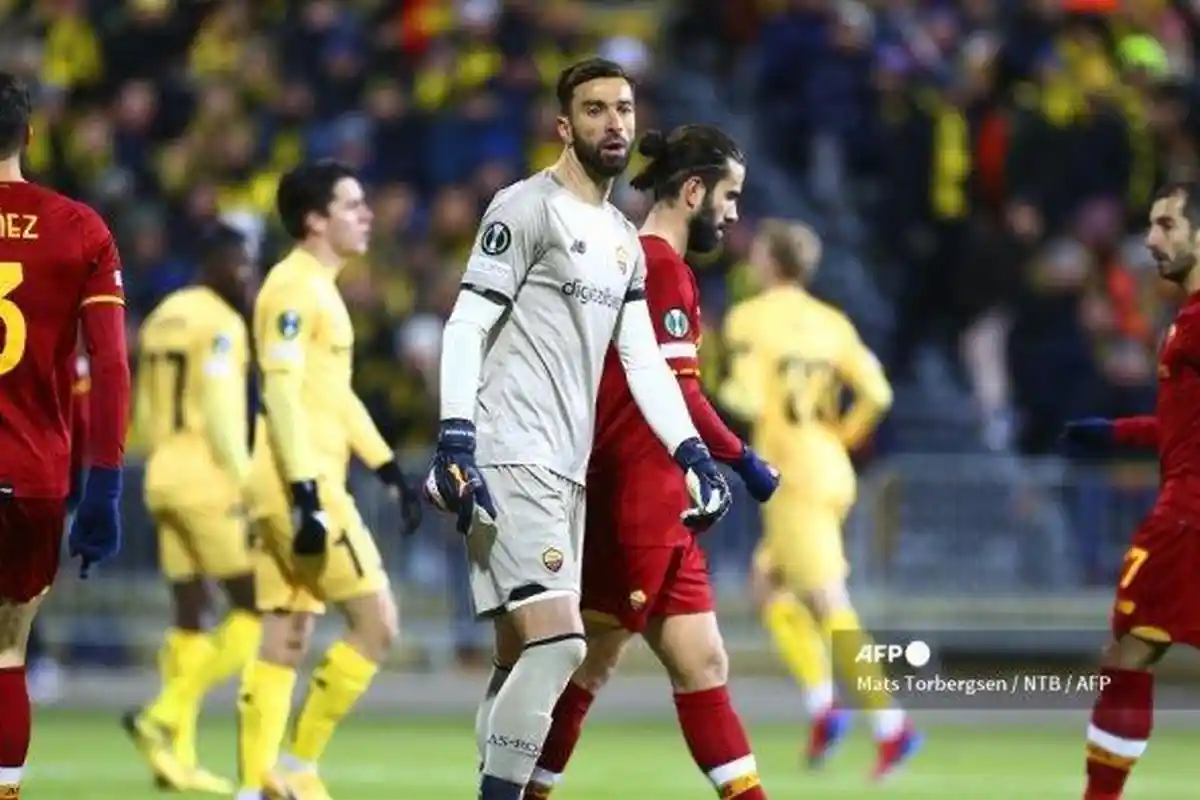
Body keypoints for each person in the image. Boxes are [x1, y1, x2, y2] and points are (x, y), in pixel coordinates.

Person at [425, 59, 732, 800]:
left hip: (568, 470)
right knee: (562, 644)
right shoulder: (524, 208)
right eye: (594, 109)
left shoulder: (622, 239)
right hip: (510, 452)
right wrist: (456, 437)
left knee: (517, 658)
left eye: (623, 108)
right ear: (565, 127)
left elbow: (644, 361)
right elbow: (466, 322)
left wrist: (693, 454)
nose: (613, 122)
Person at [524, 125, 780, 800]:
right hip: (633, 499)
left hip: (665, 502)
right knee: (583, 664)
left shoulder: (646, 262)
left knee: (704, 665)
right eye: (729, 196)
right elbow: (677, 390)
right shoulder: (657, 267)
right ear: (693, 191)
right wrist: (743, 459)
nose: (734, 213)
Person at [233, 160, 422, 800]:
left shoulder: (316, 287)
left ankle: (255, 785)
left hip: (285, 481)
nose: (366, 215)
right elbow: (280, 393)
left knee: (286, 632)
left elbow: (334, 397)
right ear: (315, 219)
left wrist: (386, 467)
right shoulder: (293, 288)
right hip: (300, 482)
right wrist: (308, 494)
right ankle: (295, 767)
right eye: (351, 204)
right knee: (377, 623)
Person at [720, 220, 920, 779]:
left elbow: (744, 394)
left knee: (829, 602)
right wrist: (843, 437)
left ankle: (891, 725)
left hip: (792, 477)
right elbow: (878, 392)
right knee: (767, 585)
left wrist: (711, 391)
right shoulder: (833, 322)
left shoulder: (749, 318)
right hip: (830, 464)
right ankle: (823, 707)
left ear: (768, 262)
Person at [0, 71, 130, 799]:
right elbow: (109, 365)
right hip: (31, 476)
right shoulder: (80, 229)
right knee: (7, 653)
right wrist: (103, 486)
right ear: (28, 134)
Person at [1062, 182, 1200, 800]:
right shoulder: (1185, 321)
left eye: (1167, 225)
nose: (1150, 240)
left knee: (1127, 655)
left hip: (1186, 520)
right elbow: (1180, 426)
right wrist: (1116, 432)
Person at [121, 224, 261, 795]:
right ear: (216, 262)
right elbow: (223, 412)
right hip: (205, 476)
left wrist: (146, 456)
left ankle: (175, 759)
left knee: (189, 612)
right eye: (240, 265)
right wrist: (248, 484)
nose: (246, 277)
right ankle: (163, 713)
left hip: (159, 471)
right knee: (257, 607)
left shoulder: (162, 316)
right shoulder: (221, 323)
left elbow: (143, 405)